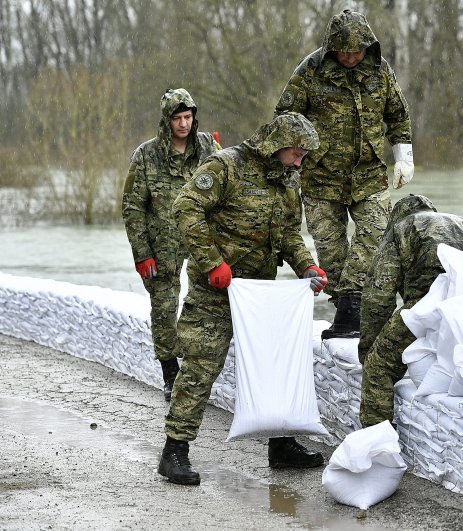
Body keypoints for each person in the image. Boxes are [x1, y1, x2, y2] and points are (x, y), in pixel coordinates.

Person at [157, 113, 328, 486]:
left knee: (275, 365)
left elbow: (288, 234)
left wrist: (306, 267)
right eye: (296, 153)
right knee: (201, 367)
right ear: (278, 144)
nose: (299, 161)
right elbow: (185, 208)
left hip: (259, 292)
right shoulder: (225, 166)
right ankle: (175, 451)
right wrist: (212, 262)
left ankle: (281, 446)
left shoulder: (286, 180)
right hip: (214, 289)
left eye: (302, 156)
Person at [275, 8, 414, 340]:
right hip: (320, 177)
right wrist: (292, 160)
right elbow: (285, 117)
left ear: (368, 46)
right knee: (331, 251)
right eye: (345, 50)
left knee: (377, 231)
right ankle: (348, 314)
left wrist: (404, 157)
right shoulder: (310, 71)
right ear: (332, 47)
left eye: (358, 50)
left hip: (368, 175)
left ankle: (353, 305)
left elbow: (398, 116)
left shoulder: (381, 72)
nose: (352, 57)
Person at [358, 195, 463, 427]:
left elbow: (377, 296)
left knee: (378, 367)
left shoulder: (401, 228)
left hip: (430, 301)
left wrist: (367, 350)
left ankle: (377, 441)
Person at [122, 88, 220, 402]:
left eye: (188, 117)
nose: (183, 124)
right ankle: (170, 372)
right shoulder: (147, 155)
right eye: (177, 118)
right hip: (161, 244)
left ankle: (199, 366)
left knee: (206, 302)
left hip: (200, 239)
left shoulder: (207, 147)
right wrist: (142, 254)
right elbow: (133, 207)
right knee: (164, 308)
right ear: (167, 121)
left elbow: (229, 186)